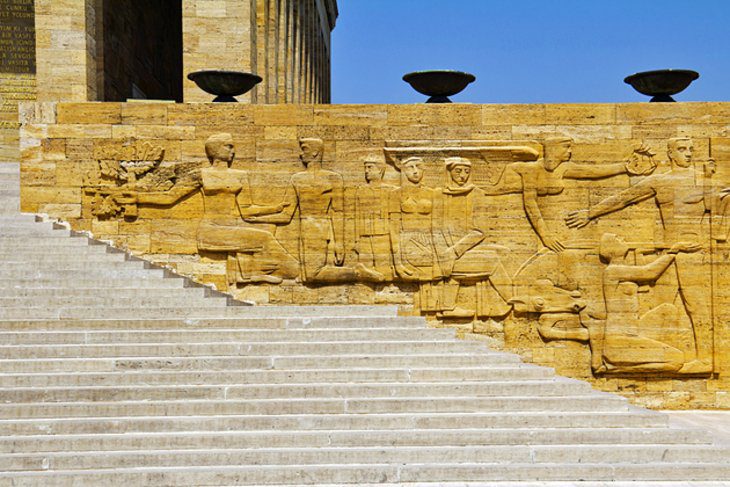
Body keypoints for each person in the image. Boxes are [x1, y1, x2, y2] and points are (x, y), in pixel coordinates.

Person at [566, 137, 719, 374]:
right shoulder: (660, 180)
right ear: (670, 153)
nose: (688, 154)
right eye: (681, 149)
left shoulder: (700, 179)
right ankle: (651, 357)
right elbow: (625, 197)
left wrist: (708, 178)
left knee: (696, 305)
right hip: (668, 252)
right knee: (659, 307)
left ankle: (704, 359)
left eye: (691, 149)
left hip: (692, 250)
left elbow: (711, 207)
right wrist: (590, 212)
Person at [137, 133, 298, 287]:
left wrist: (275, 208)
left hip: (232, 227)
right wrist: (137, 198)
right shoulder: (201, 174)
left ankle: (250, 273)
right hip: (211, 230)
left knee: (267, 229)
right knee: (265, 238)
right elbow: (170, 197)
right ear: (216, 149)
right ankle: (283, 270)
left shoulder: (239, 175)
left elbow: (247, 210)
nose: (233, 151)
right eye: (229, 146)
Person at [488, 137, 648, 252]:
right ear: (554, 149)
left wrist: (625, 167)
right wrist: (546, 236)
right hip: (497, 208)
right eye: (566, 147)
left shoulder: (563, 168)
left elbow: (592, 172)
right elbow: (530, 203)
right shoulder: (529, 169)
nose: (570, 151)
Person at [245, 137, 355, 283]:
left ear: (315, 152)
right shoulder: (297, 179)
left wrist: (339, 243)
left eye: (304, 149)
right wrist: (257, 219)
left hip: (321, 227)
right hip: (304, 228)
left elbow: (338, 211)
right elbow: (286, 215)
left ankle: (357, 272)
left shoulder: (333, 178)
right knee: (306, 277)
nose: (300, 154)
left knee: (312, 275)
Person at [598, 233, 700, 373]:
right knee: (675, 361)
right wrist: (672, 252)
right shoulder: (612, 271)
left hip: (635, 331)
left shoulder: (624, 269)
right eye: (618, 238)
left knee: (668, 310)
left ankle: (665, 351)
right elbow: (649, 272)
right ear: (611, 248)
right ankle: (616, 368)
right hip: (619, 340)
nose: (622, 238)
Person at [432, 157, 511, 318]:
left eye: (467, 171)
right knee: (493, 262)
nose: (463, 175)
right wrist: (446, 252)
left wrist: (455, 250)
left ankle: (493, 305)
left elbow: (480, 231)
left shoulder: (477, 194)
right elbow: (435, 227)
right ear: (449, 172)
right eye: (458, 171)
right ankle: (513, 300)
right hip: (443, 249)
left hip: (463, 247)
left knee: (504, 252)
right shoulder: (439, 194)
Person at [354, 156, 396, 282]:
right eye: (365, 168)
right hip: (365, 236)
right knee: (364, 272)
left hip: (383, 235)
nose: (366, 171)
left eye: (370, 167)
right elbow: (357, 216)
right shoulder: (361, 191)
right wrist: (356, 239)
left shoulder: (390, 191)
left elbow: (394, 218)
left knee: (384, 270)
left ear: (380, 170)